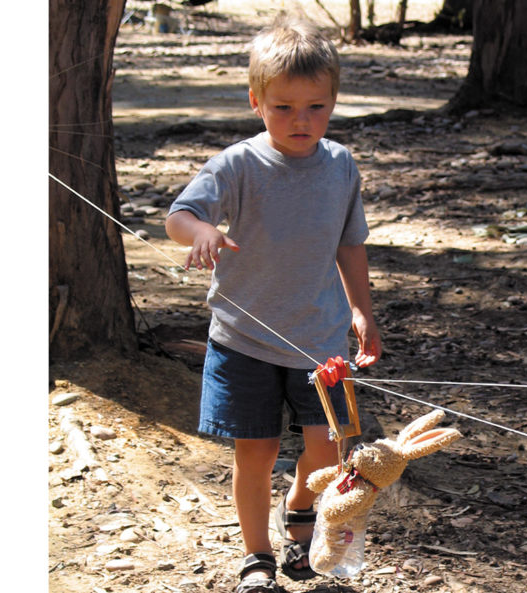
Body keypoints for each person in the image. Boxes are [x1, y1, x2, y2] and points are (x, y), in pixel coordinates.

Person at [165, 14, 381, 593]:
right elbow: (178, 217)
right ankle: (256, 558)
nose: (301, 121)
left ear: (333, 104)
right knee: (255, 453)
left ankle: (301, 511)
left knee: (330, 449)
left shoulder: (340, 166)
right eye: (284, 107)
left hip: (321, 340)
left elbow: (349, 241)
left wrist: (361, 308)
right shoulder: (238, 164)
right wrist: (201, 233)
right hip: (243, 341)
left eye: (316, 107)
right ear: (257, 101)